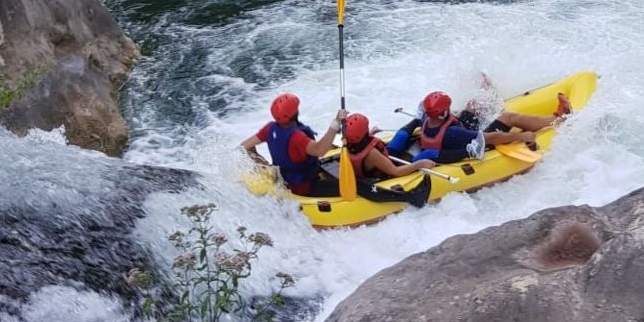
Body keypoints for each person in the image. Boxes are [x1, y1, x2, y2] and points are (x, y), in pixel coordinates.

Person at [387, 87, 571, 164]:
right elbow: (490, 138)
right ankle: (558, 118)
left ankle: (491, 92)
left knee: (473, 105)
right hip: (473, 143)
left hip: (454, 136)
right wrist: (520, 136)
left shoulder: (427, 119)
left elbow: (450, 119)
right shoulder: (454, 133)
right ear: (443, 112)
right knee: (508, 117)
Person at [241, 94, 346, 196]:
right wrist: (336, 123)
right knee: (357, 185)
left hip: (284, 182)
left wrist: (267, 167)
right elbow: (320, 150)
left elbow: (245, 146)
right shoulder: (297, 137)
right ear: (296, 113)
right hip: (304, 187)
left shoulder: (269, 129)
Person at [342, 111, 432, 209]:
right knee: (412, 150)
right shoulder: (372, 154)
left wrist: (370, 134)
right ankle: (418, 121)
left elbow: (359, 143)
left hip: (369, 169)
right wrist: (419, 164)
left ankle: (416, 121)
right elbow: (396, 172)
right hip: (383, 174)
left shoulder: (346, 144)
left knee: (401, 137)